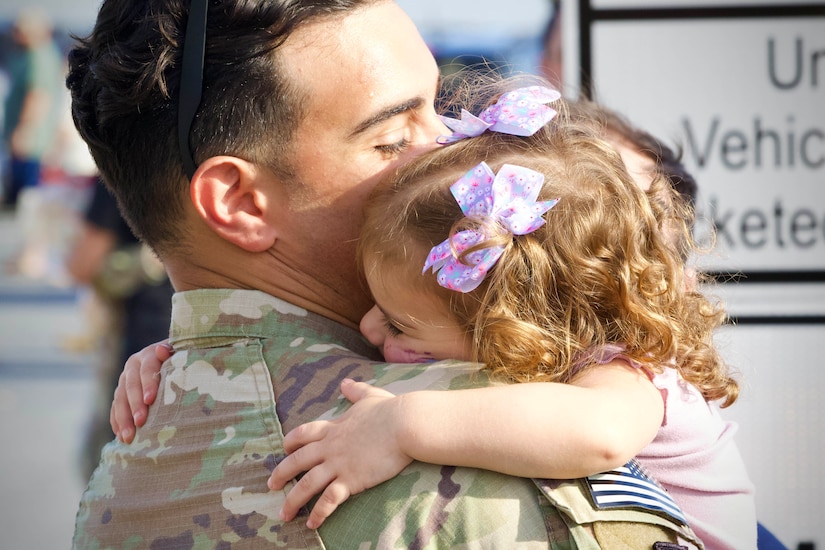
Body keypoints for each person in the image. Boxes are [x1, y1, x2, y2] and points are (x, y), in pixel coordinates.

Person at [69, 0, 704, 547]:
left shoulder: (122, 473)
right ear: (238, 203)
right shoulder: (491, 458)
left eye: (439, 108)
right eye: (394, 139)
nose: (456, 146)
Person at [264, 86, 756, 549]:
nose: (368, 329)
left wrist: (400, 423)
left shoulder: (626, 372)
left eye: (399, 325)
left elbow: (598, 436)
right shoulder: (560, 348)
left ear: (510, 329)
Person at [65, 178, 173, 479]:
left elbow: (82, 263)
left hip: (142, 340)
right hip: (212, 332)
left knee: (119, 468)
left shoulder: (120, 162)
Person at [1, 8, 63, 208]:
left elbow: (37, 96)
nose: (15, 34)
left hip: (30, 141)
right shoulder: (38, 53)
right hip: (33, 139)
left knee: (25, 198)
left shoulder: (38, 55)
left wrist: (23, 131)